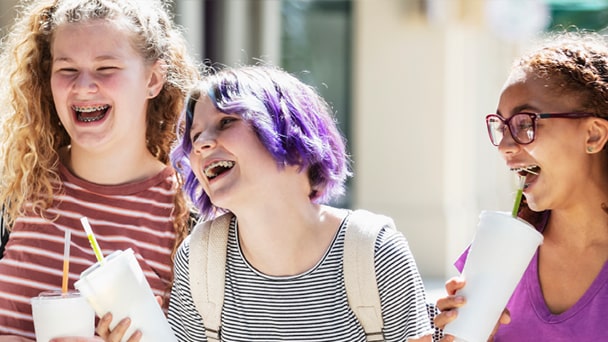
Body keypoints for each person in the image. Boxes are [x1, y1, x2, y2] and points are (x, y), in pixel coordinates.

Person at [162, 64, 434, 342]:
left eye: (226, 122)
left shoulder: (377, 252)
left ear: (291, 134)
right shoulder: (198, 259)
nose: (200, 144)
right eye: (194, 136)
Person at [0, 0, 200, 339]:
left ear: (153, 79)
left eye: (106, 68)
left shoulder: (190, 216)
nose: (82, 86)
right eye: (66, 69)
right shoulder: (14, 188)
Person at [434, 30, 608, 341]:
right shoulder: (499, 253)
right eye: (499, 126)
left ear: (593, 135)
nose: (503, 145)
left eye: (525, 123)